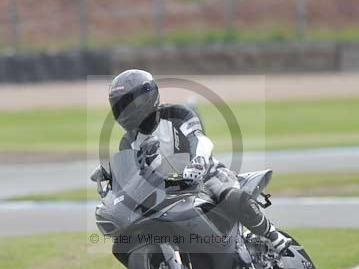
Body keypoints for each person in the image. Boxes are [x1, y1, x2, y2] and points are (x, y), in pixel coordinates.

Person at [108, 69, 291, 258]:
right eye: (119, 106)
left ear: (148, 96)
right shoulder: (128, 142)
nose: (125, 110)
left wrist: (198, 161)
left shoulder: (177, 114)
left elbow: (200, 140)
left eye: (129, 103)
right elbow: (132, 175)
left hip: (205, 175)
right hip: (166, 194)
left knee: (230, 195)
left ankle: (275, 237)